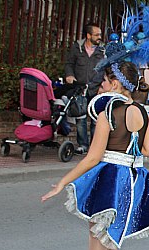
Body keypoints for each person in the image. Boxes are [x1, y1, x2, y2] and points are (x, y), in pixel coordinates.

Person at [41, 62, 149, 250]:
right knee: (111, 235)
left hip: (110, 178)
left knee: (95, 236)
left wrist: (62, 182)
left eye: (103, 82)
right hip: (132, 181)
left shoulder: (107, 115)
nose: (100, 86)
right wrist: (128, 151)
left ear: (115, 84)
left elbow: (91, 158)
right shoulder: (143, 113)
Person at [64, 22, 105, 154]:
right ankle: (83, 145)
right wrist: (69, 75)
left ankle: (94, 147)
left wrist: (103, 85)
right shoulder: (77, 47)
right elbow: (69, 64)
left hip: (96, 88)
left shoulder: (103, 50)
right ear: (88, 35)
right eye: (96, 34)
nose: (100, 37)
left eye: (100, 34)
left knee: (95, 120)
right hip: (80, 88)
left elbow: (107, 68)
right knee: (80, 118)